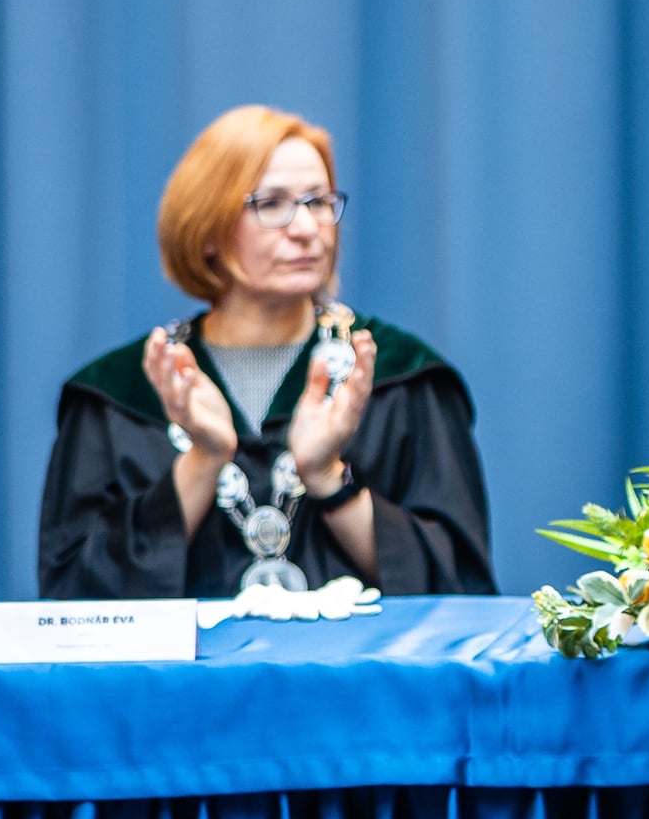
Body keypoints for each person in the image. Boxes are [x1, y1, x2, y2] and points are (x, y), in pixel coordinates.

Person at [38, 105, 495, 601]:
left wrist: (327, 478)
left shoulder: (401, 376)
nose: (307, 228)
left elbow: (458, 591)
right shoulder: (120, 393)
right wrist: (203, 460)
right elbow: (73, 601)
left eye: (319, 202)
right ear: (207, 229)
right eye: (272, 204)